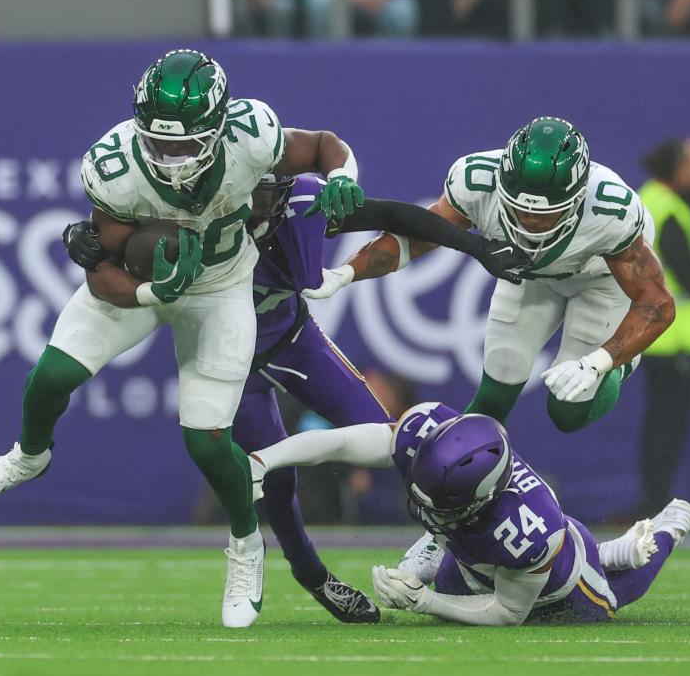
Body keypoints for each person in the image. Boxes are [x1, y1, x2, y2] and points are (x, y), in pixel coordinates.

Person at [0, 48, 368, 629]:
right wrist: (152, 293)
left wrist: (344, 174)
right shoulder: (115, 165)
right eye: (159, 144)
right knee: (52, 375)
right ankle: (28, 456)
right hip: (150, 285)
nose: (171, 159)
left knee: (206, 440)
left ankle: (246, 546)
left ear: (221, 127)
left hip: (223, 289)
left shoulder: (253, 133)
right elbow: (102, 270)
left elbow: (322, 145)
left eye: (184, 144)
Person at [58, 172, 526, 623]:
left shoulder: (299, 202)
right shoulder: (188, 218)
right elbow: (117, 236)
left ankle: (465, 542)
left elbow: (397, 215)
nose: (259, 205)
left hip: (295, 340)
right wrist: (81, 236)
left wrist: (475, 245)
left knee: (394, 440)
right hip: (230, 366)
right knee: (278, 483)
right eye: (247, 194)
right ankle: (314, 577)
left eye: (268, 192)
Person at [308, 117, 676, 434]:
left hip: (600, 279)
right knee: (493, 395)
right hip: (529, 275)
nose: (529, 221)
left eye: (546, 215)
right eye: (518, 209)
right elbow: (418, 238)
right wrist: (345, 272)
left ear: (577, 199)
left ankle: (620, 370)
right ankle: (453, 492)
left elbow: (658, 304)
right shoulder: (476, 181)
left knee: (569, 410)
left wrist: (602, 361)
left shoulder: (611, 211)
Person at [249, 403, 690, 626]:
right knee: (448, 579)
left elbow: (506, 611)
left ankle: (668, 528)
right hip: (480, 556)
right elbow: (340, 443)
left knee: (610, 601)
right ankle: (616, 550)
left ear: (481, 500)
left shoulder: (527, 527)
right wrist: (267, 458)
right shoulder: (426, 429)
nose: (423, 508)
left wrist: (424, 602)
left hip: (559, 581)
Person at [633, 137, 690, 518]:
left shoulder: (648, 200)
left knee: (659, 422)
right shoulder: (667, 208)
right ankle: (656, 504)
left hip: (658, 334)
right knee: (667, 425)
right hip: (675, 336)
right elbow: (684, 268)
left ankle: (654, 500)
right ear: (679, 167)